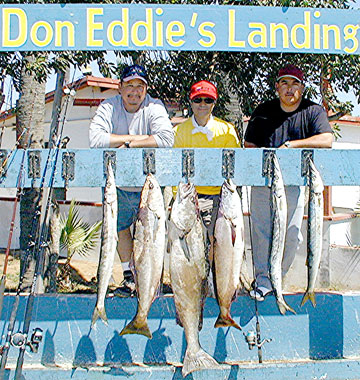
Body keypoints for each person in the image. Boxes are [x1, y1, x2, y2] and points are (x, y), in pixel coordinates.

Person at [244, 64, 333, 301]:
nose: (289, 89)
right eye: (284, 83)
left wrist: (293, 145)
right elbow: (249, 145)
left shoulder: (313, 110)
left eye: (295, 83)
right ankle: (263, 282)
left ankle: (277, 279)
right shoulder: (263, 111)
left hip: (294, 184)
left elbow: (327, 139)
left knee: (293, 233)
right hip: (263, 181)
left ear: (302, 88)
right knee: (261, 232)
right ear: (276, 87)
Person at [89, 64, 174, 296]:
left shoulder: (154, 105)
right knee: (119, 227)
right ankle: (130, 276)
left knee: (152, 232)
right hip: (118, 185)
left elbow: (167, 139)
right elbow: (95, 139)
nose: (134, 91)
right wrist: (138, 138)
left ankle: (152, 280)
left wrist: (129, 145)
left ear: (146, 89)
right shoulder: (109, 106)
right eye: (129, 85)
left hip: (151, 185)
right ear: (120, 87)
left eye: (140, 86)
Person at [173, 80, 241, 293]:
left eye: (208, 100)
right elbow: (176, 169)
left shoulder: (227, 130)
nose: (202, 104)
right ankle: (195, 285)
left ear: (214, 103)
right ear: (191, 102)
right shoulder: (179, 132)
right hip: (188, 198)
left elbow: (233, 169)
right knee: (190, 247)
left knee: (216, 245)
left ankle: (214, 283)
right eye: (198, 99)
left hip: (219, 198)